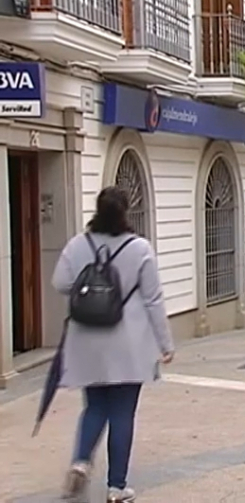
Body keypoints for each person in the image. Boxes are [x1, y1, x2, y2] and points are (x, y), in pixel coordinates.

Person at [53, 187, 174, 503]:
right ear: (126, 212)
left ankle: (81, 460)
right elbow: (153, 299)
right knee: (122, 412)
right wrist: (165, 343)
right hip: (129, 342)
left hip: (87, 339)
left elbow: (60, 283)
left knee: (94, 405)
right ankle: (117, 487)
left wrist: (88, 284)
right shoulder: (140, 248)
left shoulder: (79, 244)